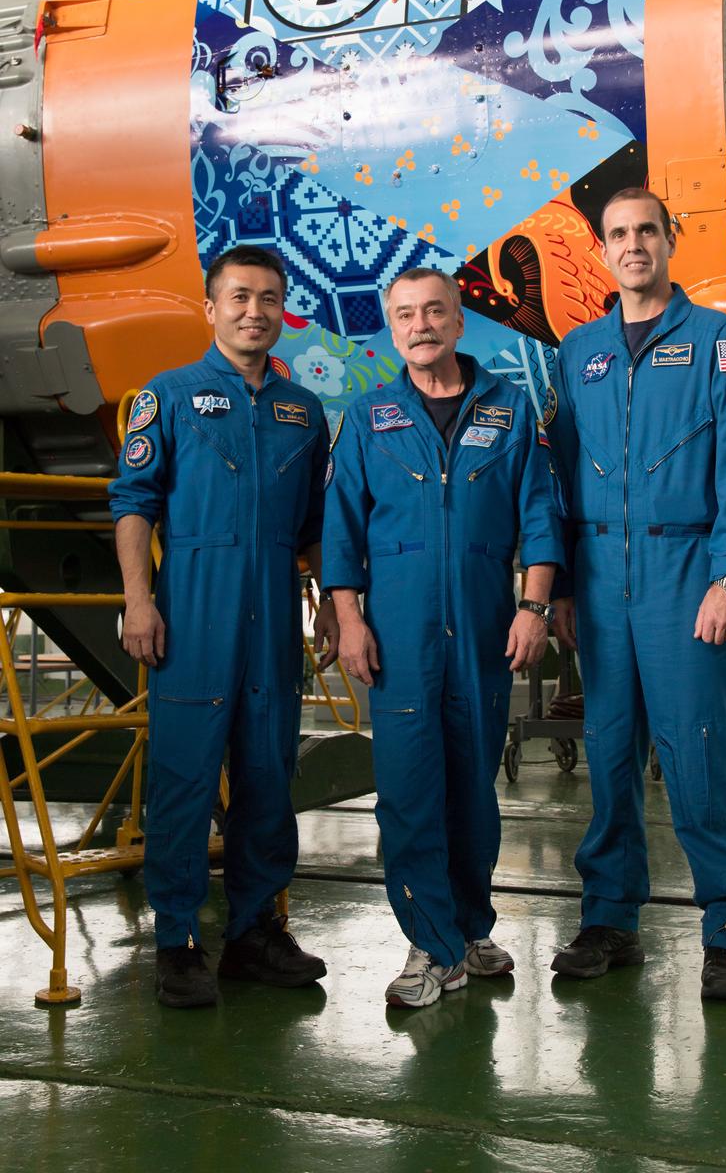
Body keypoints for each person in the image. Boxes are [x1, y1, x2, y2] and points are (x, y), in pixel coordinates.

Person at [545, 188, 726, 1001]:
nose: (633, 244)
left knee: (697, 754)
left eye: (646, 230)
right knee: (609, 759)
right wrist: (565, 585)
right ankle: (609, 919)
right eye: (618, 234)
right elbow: (562, 475)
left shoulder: (720, 342)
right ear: (603, 250)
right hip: (601, 583)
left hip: (687, 579)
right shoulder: (579, 352)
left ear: (669, 242)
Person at [322, 267, 564, 1007]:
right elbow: (340, 531)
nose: (421, 325)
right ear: (392, 330)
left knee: (473, 787)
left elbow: (539, 516)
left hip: (486, 624)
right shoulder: (368, 417)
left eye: (434, 312)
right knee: (408, 789)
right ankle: (430, 946)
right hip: (397, 631)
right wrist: (350, 619)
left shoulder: (509, 408)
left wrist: (534, 607)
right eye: (405, 316)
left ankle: (467, 926)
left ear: (459, 323)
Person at [109, 244, 338, 1008]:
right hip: (192, 616)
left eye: (269, 299)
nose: (254, 312)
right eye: (239, 297)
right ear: (211, 308)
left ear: (283, 312)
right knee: (182, 781)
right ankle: (176, 940)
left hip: (273, 617)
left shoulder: (302, 411)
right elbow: (133, 504)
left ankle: (253, 934)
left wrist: (336, 606)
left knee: (270, 779)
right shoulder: (166, 397)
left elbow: (314, 527)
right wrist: (140, 601)